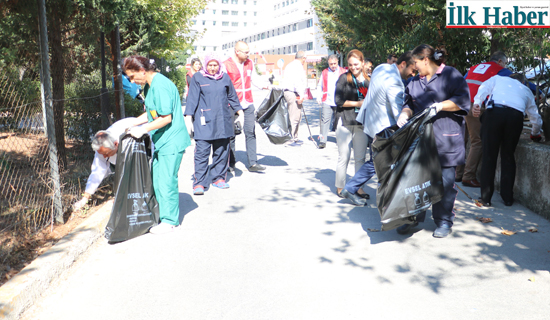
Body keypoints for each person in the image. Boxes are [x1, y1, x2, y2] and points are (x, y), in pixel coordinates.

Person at [396, 45, 470, 238]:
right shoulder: (414, 82)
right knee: (416, 182)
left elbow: (462, 100)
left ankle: (444, 221)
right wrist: (404, 114)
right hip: (421, 140)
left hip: (446, 139)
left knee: (445, 183)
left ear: (426, 60)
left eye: (416, 62)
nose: (414, 66)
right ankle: (413, 218)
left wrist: (441, 106)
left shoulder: (450, 75)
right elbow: (409, 103)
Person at [123, 56, 191, 234]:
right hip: (162, 141)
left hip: (172, 140)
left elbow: (166, 118)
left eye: (132, 76)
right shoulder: (149, 85)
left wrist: (143, 129)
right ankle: (162, 216)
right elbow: (152, 114)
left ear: (142, 71)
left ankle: (170, 220)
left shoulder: (159, 85)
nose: (132, 81)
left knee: (167, 180)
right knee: (157, 179)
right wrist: (132, 124)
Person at [340, 51, 417, 206]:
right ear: (403, 64)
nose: (413, 74)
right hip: (383, 129)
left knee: (378, 162)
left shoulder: (382, 67)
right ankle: (351, 188)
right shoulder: (395, 82)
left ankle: (361, 191)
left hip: (370, 122)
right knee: (379, 163)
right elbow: (399, 114)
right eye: (412, 70)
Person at [459, 51, 541, 187]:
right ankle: (468, 176)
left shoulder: (475, 67)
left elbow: (463, 81)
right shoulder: (500, 70)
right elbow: (522, 83)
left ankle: (457, 173)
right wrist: (540, 92)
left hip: (462, 102)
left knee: (463, 138)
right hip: (476, 104)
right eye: (505, 63)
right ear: (500, 62)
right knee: (478, 141)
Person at [472, 73, 543, 207]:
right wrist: (535, 134)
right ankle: (508, 198)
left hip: (493, 114)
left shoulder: (498, 79)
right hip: (515, 118)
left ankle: (485, 199)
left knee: (489, 156)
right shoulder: (526, 90)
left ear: (510, 78)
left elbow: (483, 87)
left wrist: (477, 102)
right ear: (522, 82)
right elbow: (535, 116)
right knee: (508, 156)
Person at [186, 53, 244, 195]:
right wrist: (188, 117)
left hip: (222, 120)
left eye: (215, 65)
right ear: (206, 65)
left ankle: (218, 178)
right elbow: (192, 98)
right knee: (202, 153)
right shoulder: (198, 77)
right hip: (204, 120)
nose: (212, 68)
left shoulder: (224, 77)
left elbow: (232, 96)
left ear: (219, 65)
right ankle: (199, 182)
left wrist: (240, 113)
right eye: (210, 65)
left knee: (222, 151)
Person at [72, 118, 137, 211]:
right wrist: (85, 198)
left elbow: (134, 169)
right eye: (102, 154)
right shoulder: (103, 146)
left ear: (116, 144)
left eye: (106, 153)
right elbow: (97, 172)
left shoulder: (128, 139)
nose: (104, 156)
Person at [223, 41, 268, 172]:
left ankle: (253, 163)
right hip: (231, 104)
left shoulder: (249, 64)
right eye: (246, 52)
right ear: (237, 52)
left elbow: (255, 79)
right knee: (231, 135)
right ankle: (230, 163)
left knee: (250, 132)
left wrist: (266, 85)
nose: (249, 54)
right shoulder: (226, 65)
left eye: (249, 51)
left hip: (247, 103)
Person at [333, 49, 370, 200]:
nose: (353, 67)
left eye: (356, 64)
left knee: (360, 157)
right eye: (350, 65)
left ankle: (358, 187)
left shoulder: (369, 80)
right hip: (345, 122)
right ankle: (341, 187)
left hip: (362, 123)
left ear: (362, 63)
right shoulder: (343, 78)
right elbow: (338, 101)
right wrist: (358, 103)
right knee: (344, 156)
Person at [316, 54, 347, 149]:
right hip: (327, 100)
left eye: (334, 63)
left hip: (340, 101)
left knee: (339, 121)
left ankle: (340, 140)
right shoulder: (324, 72)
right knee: (325, 120)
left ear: (337, 62)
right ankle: (322, 140)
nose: (333, 65)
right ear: (328, 63)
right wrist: (318, 96)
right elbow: (320, 86)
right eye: (331, 64)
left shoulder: (343, 71)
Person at [281, 51, 308, 147]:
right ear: (303, 58)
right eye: (305, 58)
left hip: (288, 92)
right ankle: (290, 139)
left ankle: (295, 137)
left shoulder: (290, 65)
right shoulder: (298, 66)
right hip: (293, 93)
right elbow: (298, 82)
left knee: (296, 116)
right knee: (294, 117)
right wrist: (301, 95)